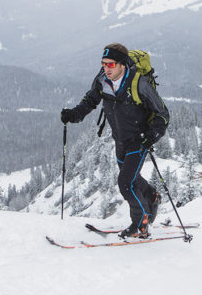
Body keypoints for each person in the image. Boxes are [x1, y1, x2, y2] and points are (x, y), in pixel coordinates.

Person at [61, 43, 169, 239]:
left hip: (139, 140)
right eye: (103, 64)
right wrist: (74, 114)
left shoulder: (139, 84)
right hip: (120, 139)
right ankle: (152, 196)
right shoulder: (103, 80)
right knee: (132, 177)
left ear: (122, 64)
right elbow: (90, 100)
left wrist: (151, 136)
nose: (106, 68)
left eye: (110, 64)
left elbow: (162, 114)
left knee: (125, 183)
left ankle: (140, 222)